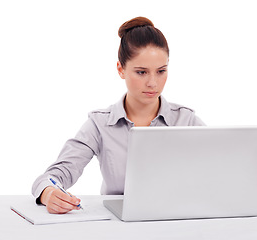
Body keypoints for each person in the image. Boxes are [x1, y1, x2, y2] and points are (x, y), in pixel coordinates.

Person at [32, 16, 205, 214]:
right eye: (141, 72)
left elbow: (220, 169)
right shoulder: (100, 124)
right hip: (116, 226)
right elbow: (53, 176)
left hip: (175, 221)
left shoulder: (186, 120)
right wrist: (48, 193)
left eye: (161, 71)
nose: (153, 83)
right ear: (121, 69)